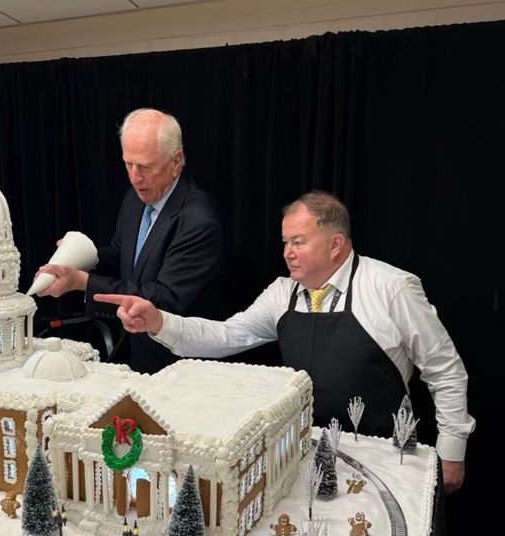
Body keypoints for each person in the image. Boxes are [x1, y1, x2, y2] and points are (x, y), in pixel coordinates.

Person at [95, 190, 475, 493]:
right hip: (300, 453)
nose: (287, 253)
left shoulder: (392, 288)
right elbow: (227, 335)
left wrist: (451, 451)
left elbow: (444, 369)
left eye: (298, 242)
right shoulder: (282, 293)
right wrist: (160, 322)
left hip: (382, 456)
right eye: (284, 242)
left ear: (336, 244)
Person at [37, 108, 224, 373]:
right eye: (128, 163)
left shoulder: (199, 220)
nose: (135, 177)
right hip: (137, 355)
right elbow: (122, 254)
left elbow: (162, 298)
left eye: (146, 166)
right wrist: (79, 259)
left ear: (176, 161)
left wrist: (82, 282)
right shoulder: (136, 197)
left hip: (180, 366)